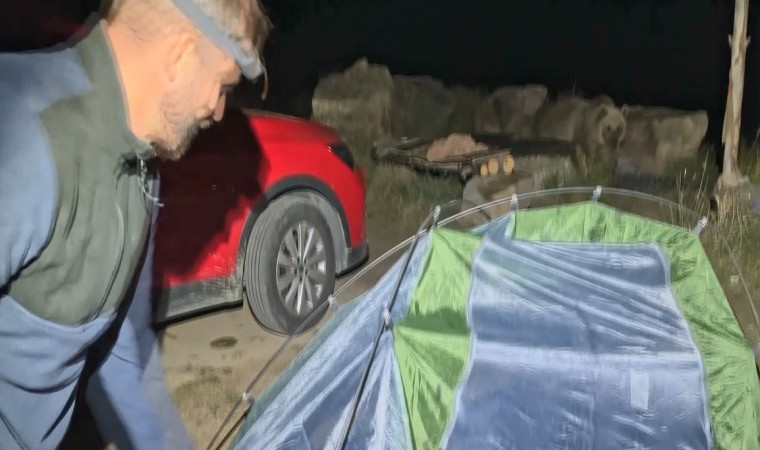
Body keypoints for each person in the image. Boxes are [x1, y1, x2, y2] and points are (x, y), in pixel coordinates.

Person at [0, 0, 271, 448]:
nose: (219, 110)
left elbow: (123, 355)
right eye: (223, 85)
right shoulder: (26, 137)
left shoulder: (141, 169)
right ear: (181, 54)